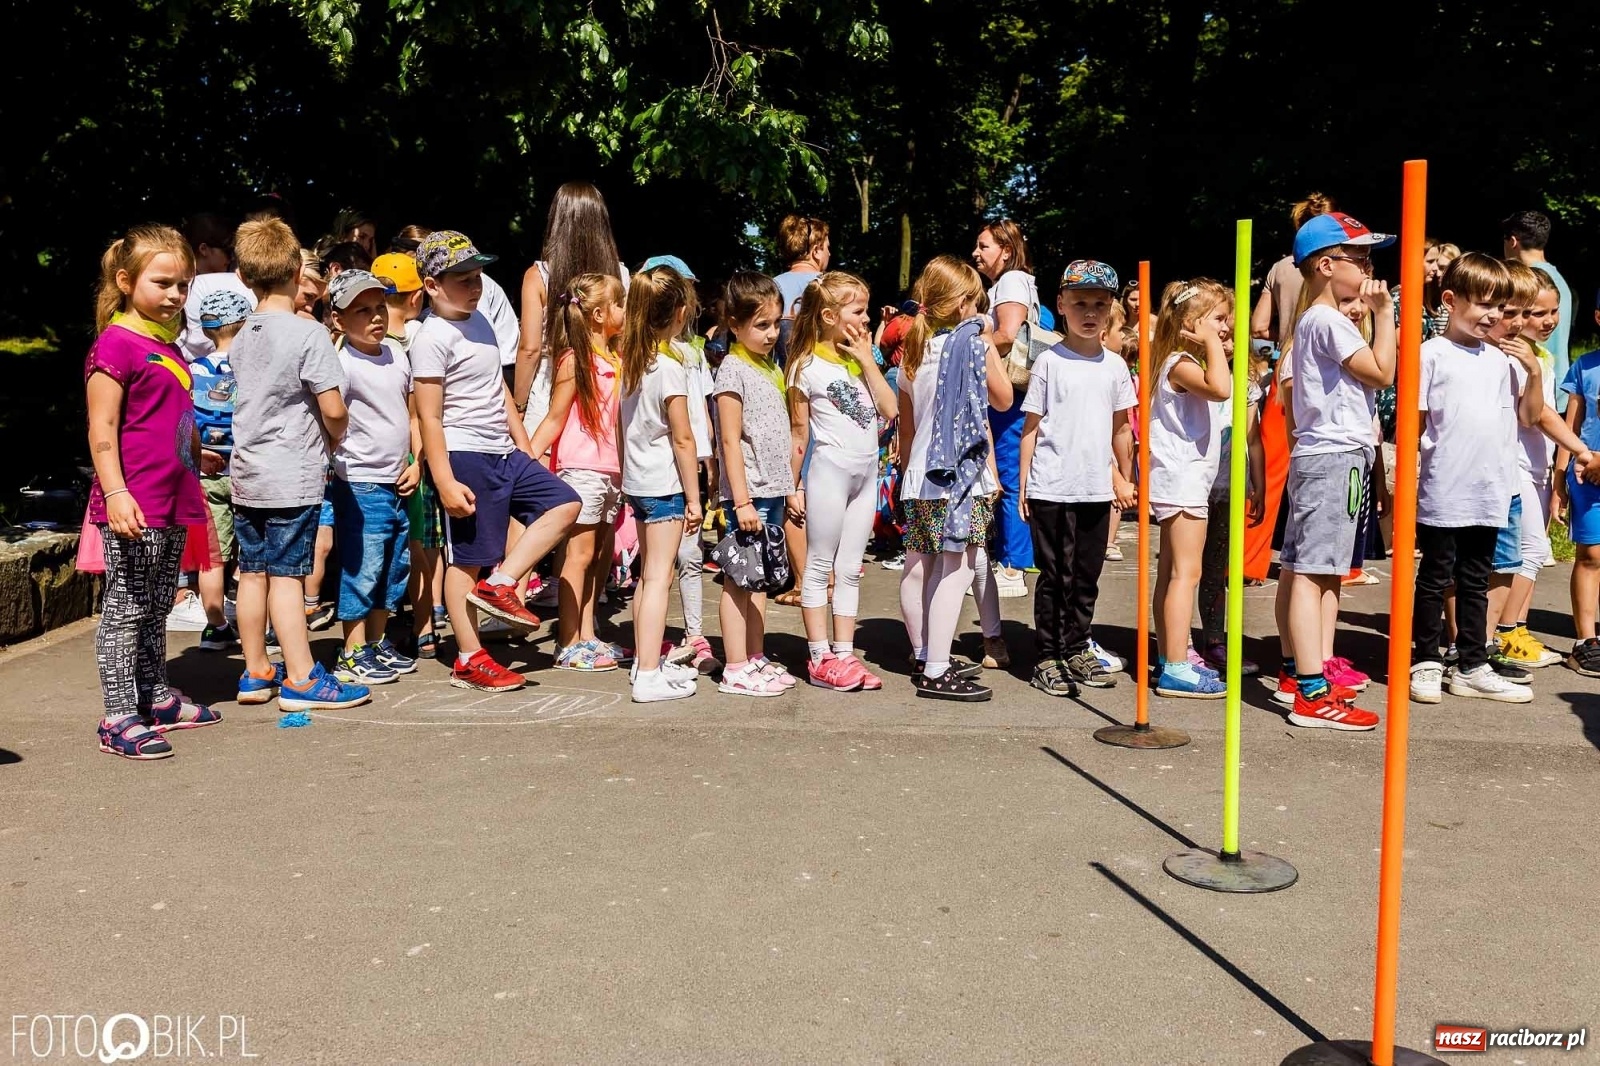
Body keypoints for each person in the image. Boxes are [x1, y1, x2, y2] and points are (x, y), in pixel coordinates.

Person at [411, 230, 582, 692]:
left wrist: (523, 440)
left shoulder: (481, 320)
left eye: (477, 274)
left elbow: (500, 390)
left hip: (504, 451)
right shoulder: (431, 337)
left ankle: (502, 582)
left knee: (564, 503)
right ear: (431, 285)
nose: (475, 284)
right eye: (462, 278)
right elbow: (428, 414)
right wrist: (443, 479)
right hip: (465, 455)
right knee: (466, 561)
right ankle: (470, 657)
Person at [86, 225, 221, 759]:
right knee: (126, 604)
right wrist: (116, 493)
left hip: (172, 495)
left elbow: (172, 415)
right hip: (133, 500)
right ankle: (118, 716)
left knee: (158, 601)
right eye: (163, 283)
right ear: (125, 281)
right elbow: (103, 430)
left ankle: (155, 696)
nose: (175, 295)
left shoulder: (167, 345)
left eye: (184, 285)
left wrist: (195, 452)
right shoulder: (115, 343)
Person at [228, 216, 370, 712]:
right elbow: (332, 407)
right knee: (289, 576)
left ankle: (255, 670)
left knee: (251, 573)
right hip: (293, 473)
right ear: (296, 269)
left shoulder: (243, 335)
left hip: (248, 472)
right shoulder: (308, 334)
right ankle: (303, 677)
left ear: (244, 277)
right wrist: (338, 435)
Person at [1271, 211, 1395, 731]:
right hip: (1333, 456)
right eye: (1361, 257)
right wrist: (1385, 315)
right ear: (1327, 265)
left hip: (1328, 455)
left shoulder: (1318, 323)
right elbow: (1383, 373)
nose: (1369, 268)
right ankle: (1310, 690)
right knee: (1315, 571)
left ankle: (1307, 670)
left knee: (1313, 569)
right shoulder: (1325, 321)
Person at [1408, 254, 1538, 705]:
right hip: (1445, 486)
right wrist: (1403, 484)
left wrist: (1534, 371)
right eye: (1484, 304)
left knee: (1477, 578)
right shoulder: (1430, 354)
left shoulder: (1500, 361)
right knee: (1435, 576)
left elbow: (1523, 419)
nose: (1493, 316)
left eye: (1499, 308)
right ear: (1450, 300)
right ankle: (1424, 660)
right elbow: (1414, 425)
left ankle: (1471, 663)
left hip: (1490, 488)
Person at [897, 255, 1013, 701]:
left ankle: (925, 651)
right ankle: (939, 669)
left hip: (920, 477)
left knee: (916, 566)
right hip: (962, 476)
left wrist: (909, 475)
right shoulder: (974, 346)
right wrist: (986, 342)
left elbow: (907, 428)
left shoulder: (912, 352)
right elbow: (1002, 401)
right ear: (966, 303)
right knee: (959, 566)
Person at [1018, 260, 1136, 697]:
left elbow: (1121, 428)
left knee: (1087, 572)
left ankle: (1076, 645)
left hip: (1095, 487)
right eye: (1080, 303)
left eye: (1099, 305)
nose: (1090, 312)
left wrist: (1125, 476)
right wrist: (1024, 484)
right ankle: (1048, 654)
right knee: (1055, 573)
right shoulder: (1050, 361)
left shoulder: (1115, 367)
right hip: (1051, 483)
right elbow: (1032, 426)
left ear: (1110, 312)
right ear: (1061, 306)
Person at [786, 271, 897, 691]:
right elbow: (799, 434)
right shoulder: (805, 366)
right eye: (858, 311)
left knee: (850, 568)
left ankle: (845, 654)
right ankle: (819, 656)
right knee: (819, 566)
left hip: (867, 473)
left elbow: (889, 410)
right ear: (830, 316)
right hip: (829, 473)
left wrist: (868, 360)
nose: (866, 318)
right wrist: (792, 486)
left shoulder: (858, 360)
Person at [526, 272, 627, 672]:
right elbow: (554, 418)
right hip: (581, 467)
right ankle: (568, 641)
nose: (625, 310)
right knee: (579, 555)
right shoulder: (574, 360)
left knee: (600, 554)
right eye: (619, 304)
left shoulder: (616, 357)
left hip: (611, 469)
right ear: (600, 314)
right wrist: (528, 457)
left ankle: (588, 634)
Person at [324, 270, 421, 686]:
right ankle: (351, 650)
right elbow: (331, 421)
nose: (375, 317)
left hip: (399, 477)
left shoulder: (397, 353)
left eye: (379, 307)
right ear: (338, 319)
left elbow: (413, 413)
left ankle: (377, 640)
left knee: (393, 566)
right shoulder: (342, 363)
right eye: (361, 310)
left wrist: (416, 462)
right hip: (360, 480)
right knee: (362, 567)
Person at [1496, 271, 1595, 669]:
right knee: (1530, 552)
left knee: (1525, 554)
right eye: (1539, 312)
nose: (1549, 320)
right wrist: (1580, 451)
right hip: (1514, 465)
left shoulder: (1541, 355)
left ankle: (1514, 627)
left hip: (1534, 466)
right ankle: (1503, 632)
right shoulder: (1517, 357)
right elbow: (1540, 416)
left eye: (1555, 311)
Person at [619, 265, 704, 703]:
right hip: (663, 484)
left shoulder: (633, 363)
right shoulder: (669, 367)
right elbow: (683, 437)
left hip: (638, 481)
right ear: (681, 312)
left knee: (647, 578)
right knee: (657, 578)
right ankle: (649, 672)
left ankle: (643, 661)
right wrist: (695, 498)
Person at [1147, 279, 1234, 698]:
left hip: (1180, 478)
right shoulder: (1180, 362)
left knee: (1171, 573)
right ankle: (1177, 665)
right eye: (1218, 320)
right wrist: (1214, 348)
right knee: (1187, 573)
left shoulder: (1178, 361)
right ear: (1190, 323)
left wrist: (1214, 347)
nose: (1225, 329)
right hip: (1182, 480)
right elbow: (1221, 390)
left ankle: (1170, 656)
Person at [714, 271, 798, 697]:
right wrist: (742, 501)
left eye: (775, 324)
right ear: (734, 324)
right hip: (748, 497)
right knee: (739, 581)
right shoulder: (732, 370)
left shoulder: (769, 365)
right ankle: (734, 666)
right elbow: (729, 439)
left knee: (761, 579)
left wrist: (787, 488)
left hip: (771, 490)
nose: (770, 333)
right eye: (760, 325)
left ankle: (754, 655)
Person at [640, 254, 721, 675]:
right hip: (670, 472)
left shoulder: (688, 351)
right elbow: (679, 430)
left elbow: (700, 414)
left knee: (684, 559)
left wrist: (709, 459)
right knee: (661, 570)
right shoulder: (661, 359)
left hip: (680, 465)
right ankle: (650, 659)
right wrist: (694, 489)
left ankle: (691, 635)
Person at [513, 184, 628, 433]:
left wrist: (518, 405)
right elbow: (623, 342)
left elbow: (530, 349)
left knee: (540, 466)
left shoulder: (538, 275)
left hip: (549, 388)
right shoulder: (622, 276)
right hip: (605, 391)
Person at [970, 218, 1038, 599]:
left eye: (984, 246)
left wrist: (970, 344)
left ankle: (1013, 565)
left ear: (1006, 251)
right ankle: (1011, 558)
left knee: (1010, 475)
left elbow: (1008, 335)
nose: (976, 254)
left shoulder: (1012, 281)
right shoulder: (1013, 282)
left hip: (1009, 392)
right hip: (1009, 392)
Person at [190, 289, 251, 652]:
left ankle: (215, 626)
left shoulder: (193, 370)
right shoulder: (252, 367)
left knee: (213, 554)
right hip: (247, 468)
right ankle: (258, 623)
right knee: (252, 556)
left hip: (207, 471)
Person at [1555, 328, 1600, 675]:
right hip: (1587, 471)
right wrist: (1560, 476)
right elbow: (1570, 426)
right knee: (1591, 555)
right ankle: (1586, 642)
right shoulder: (1585, 366)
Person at [1251, 192, 1335, 347]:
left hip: (1286, 360)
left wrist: (1286, 336)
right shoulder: (1340, 265)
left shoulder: (1280, 268)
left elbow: (1258, 328)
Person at [1503, 210, 1574, 385]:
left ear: (1512, 241)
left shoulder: (1528, 283)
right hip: (1559, 384)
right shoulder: (1558, 280)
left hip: (1535, 383)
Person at [773, 215, 831, 322]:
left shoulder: (771, 285)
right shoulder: (831, 285)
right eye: (827, 247)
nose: (829, 253)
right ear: (816, 251)